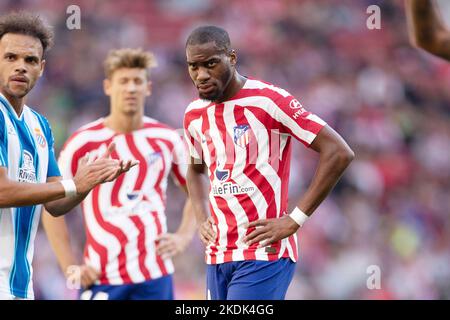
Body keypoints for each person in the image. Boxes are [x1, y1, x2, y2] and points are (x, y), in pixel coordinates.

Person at [183, 26, 354, 300]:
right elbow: (195, 171)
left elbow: (338, 151)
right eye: (194, 66)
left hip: (264, 251)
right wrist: (202, 217)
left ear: (232, 58)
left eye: (211, 64)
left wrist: (295, 219)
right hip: (218, 253)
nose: (201, 75)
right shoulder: (193, 115)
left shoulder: (268, 101)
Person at [0, 12, 135, 300]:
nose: (21, 67)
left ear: (42, 67)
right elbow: (1, 191)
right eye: (10, 57)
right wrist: (73, 183)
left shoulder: (39, 125)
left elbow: (55, 203)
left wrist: (85, 184)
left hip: (19, 286)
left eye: (30, 60)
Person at [42, 48, 196, 300]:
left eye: (137, 81)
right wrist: (70, 268)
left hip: (155, 276)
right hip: (102, 277)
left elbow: (197, 190)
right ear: (108, 87)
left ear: (148, 87)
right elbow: (52, 207)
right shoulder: (83, 142)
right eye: (123, 81)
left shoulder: (166, 138)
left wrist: (183, 237)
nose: (131, 88)